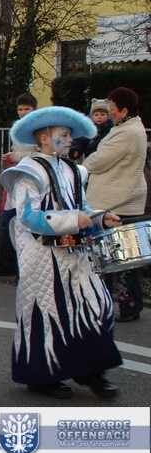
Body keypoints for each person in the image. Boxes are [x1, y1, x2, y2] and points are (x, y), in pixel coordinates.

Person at [0, 106, 123, 399]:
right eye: (64, 134)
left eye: (69, 135)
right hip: (41, 256)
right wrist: (73, 219)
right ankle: (41, 377)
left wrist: (99, 217)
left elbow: (82, 208)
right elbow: (27, 217)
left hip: (74, 253)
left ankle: (91, 371)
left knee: (97, 305)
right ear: (44, 137)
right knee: (46, 313)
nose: (69, 140)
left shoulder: (72, 170)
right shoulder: (27, 172)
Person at [83, 87, 146, 322]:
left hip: (116, 202)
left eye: (112, 108)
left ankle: (117, 305)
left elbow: (99, 161)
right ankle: (129, 306)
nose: (109, 113)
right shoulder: (132, 128)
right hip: (125, 200)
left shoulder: (126, 133)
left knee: (112, 259)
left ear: (124, 110)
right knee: (126, 259)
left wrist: (84, 163)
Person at [0, 93, 38, 280]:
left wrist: (17, 156)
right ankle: (5, 264)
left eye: (27, 109)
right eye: (20, 109)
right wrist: (12, 156)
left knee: (23, 226)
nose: (23, 112)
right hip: (15, 180)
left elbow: (40, 155)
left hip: (30, 182)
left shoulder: (38, 129)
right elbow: (20, 152)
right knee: (6, 224)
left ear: (34, 109)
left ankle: (22, 269)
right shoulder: (17, 128)